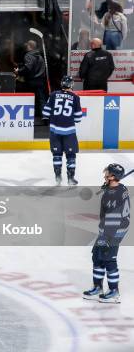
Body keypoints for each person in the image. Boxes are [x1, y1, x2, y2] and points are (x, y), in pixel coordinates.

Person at [82, 163, 130, 303]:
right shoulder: (118, 188)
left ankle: (114, 291)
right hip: (109, 229)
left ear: (113, 177)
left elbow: (114, 218)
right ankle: (98, 287)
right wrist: (108, 188)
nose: (105, 175)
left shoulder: (114, 196)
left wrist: (107, 238)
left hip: (114, 231)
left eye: (107, 173)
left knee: (108, 258)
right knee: (97, 256)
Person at [42, 76, 83, 186]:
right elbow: (78, 118)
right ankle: (70, 178)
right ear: (71, 85)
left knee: (57, 154)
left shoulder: (53, 95)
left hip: (55, 131)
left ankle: (58, 177)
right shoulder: (75, 97)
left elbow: (45, 114)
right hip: (69, 131)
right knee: (71, 155)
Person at [15, 40, 46, 118]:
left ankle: (29, 116)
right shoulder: (40, 56)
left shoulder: (28, 55)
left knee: (29, 99)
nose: (26, 47)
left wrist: (19, 71)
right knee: (41, 99)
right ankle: (44, 116)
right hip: (40, 80)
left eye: (27, 45)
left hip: (31, 81)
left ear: (29, 46)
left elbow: (28, 68)